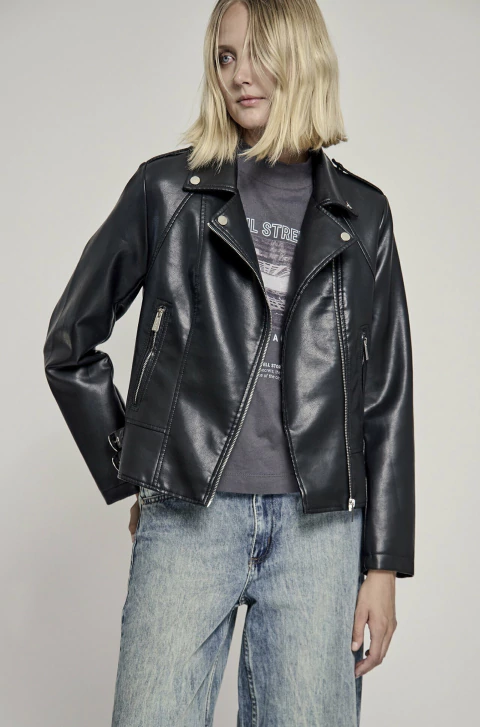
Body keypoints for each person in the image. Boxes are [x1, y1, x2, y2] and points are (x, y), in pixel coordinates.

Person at [43, 1, 415, 725]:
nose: (240, 75)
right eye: (225, 56)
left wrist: (383, 565)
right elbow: (70, 341)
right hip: (189, 521)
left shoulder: (364, 214)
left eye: (258, 53)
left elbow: (385, 396)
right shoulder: (166, 190)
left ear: (302, 59)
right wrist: (140, 464)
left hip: (319, 534)